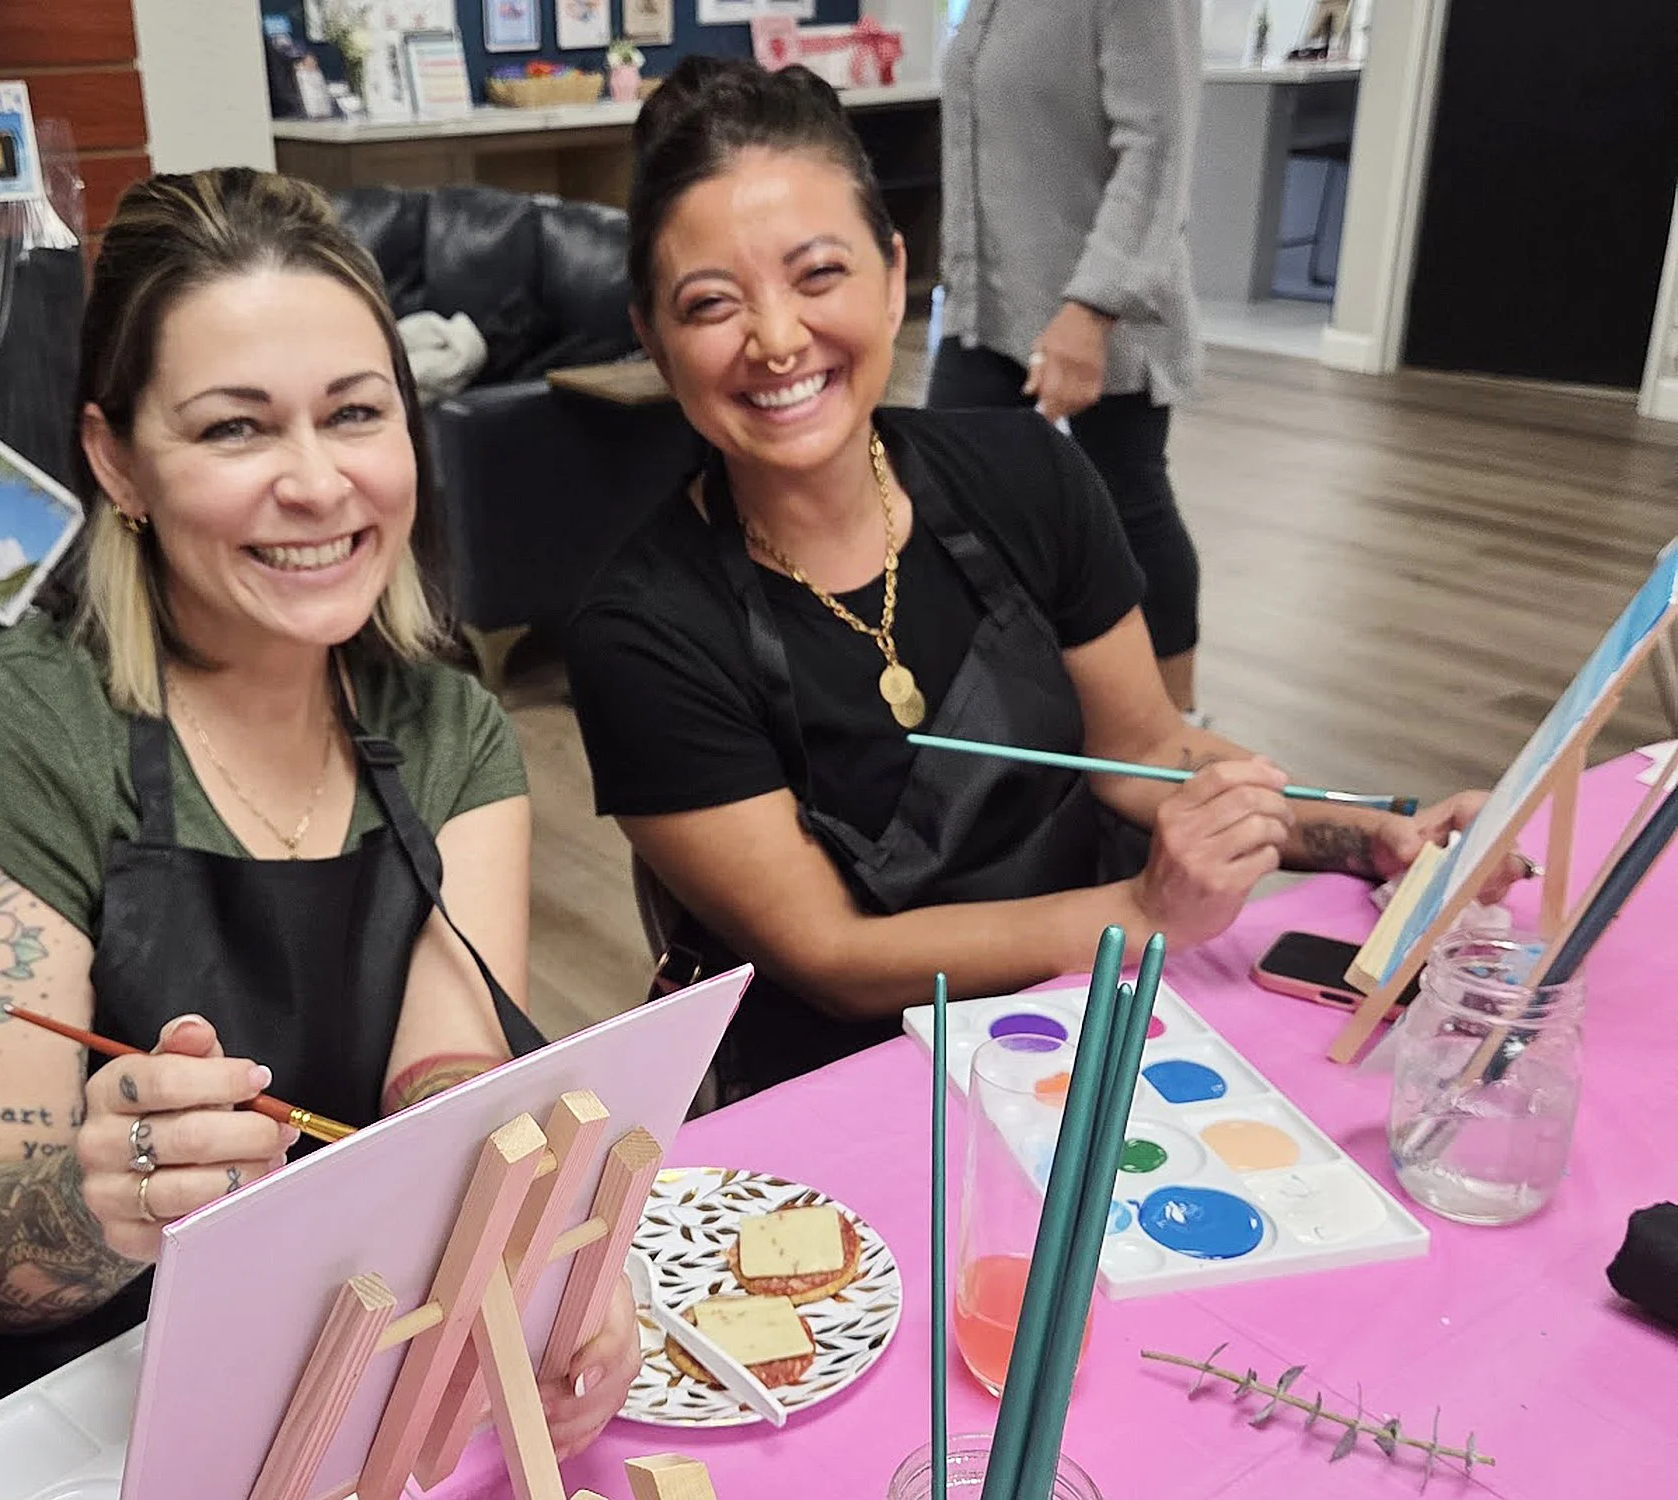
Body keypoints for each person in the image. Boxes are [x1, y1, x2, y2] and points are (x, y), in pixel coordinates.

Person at [0, 168, 638, 1497]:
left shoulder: (450, 730)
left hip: (265, 1379)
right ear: (117, 462)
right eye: (235, 428)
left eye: (356, 413)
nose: (317, 482)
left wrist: (521, 1243)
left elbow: (441, 1071)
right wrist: (97, 1204)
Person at [566, 60, 1515, 1105]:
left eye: (819, 274)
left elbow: (1146, 753)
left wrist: (1372, 837)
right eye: (712, 303)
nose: (779, 339)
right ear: (654, 339)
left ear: (894, 274)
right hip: (860, 1082)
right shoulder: (641, 634)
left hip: (1096, 1020)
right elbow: (832, 956)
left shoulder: (1025, 474)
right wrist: (1140, 914)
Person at [927, 0, 1206, 715]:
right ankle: (993, 711)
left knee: (1128, 501)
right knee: (946, 496)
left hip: (1104, 301)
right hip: (991, 305)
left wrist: (1093, 307)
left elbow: (1158, 145)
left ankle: (1175, 731)